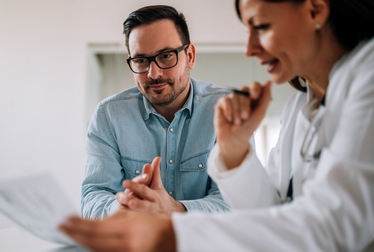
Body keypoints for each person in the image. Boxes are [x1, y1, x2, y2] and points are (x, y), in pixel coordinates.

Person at [61, 0, 374, 251]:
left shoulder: (368, 77)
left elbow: (334, 227)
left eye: (261, 26)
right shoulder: (298, 105)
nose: (249, 48)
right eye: (141, 61)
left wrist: (171, 228)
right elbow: (268, 212)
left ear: (315, 10)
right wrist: (234, 150)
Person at [81, 5, 233, 219]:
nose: (154, 73)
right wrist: (125, 208)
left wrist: (174, 210)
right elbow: (93, 197)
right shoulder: (109, 116)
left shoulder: (226, 110)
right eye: (141, 61)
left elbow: (236, 203)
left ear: (190, 55)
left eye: (166, 56)